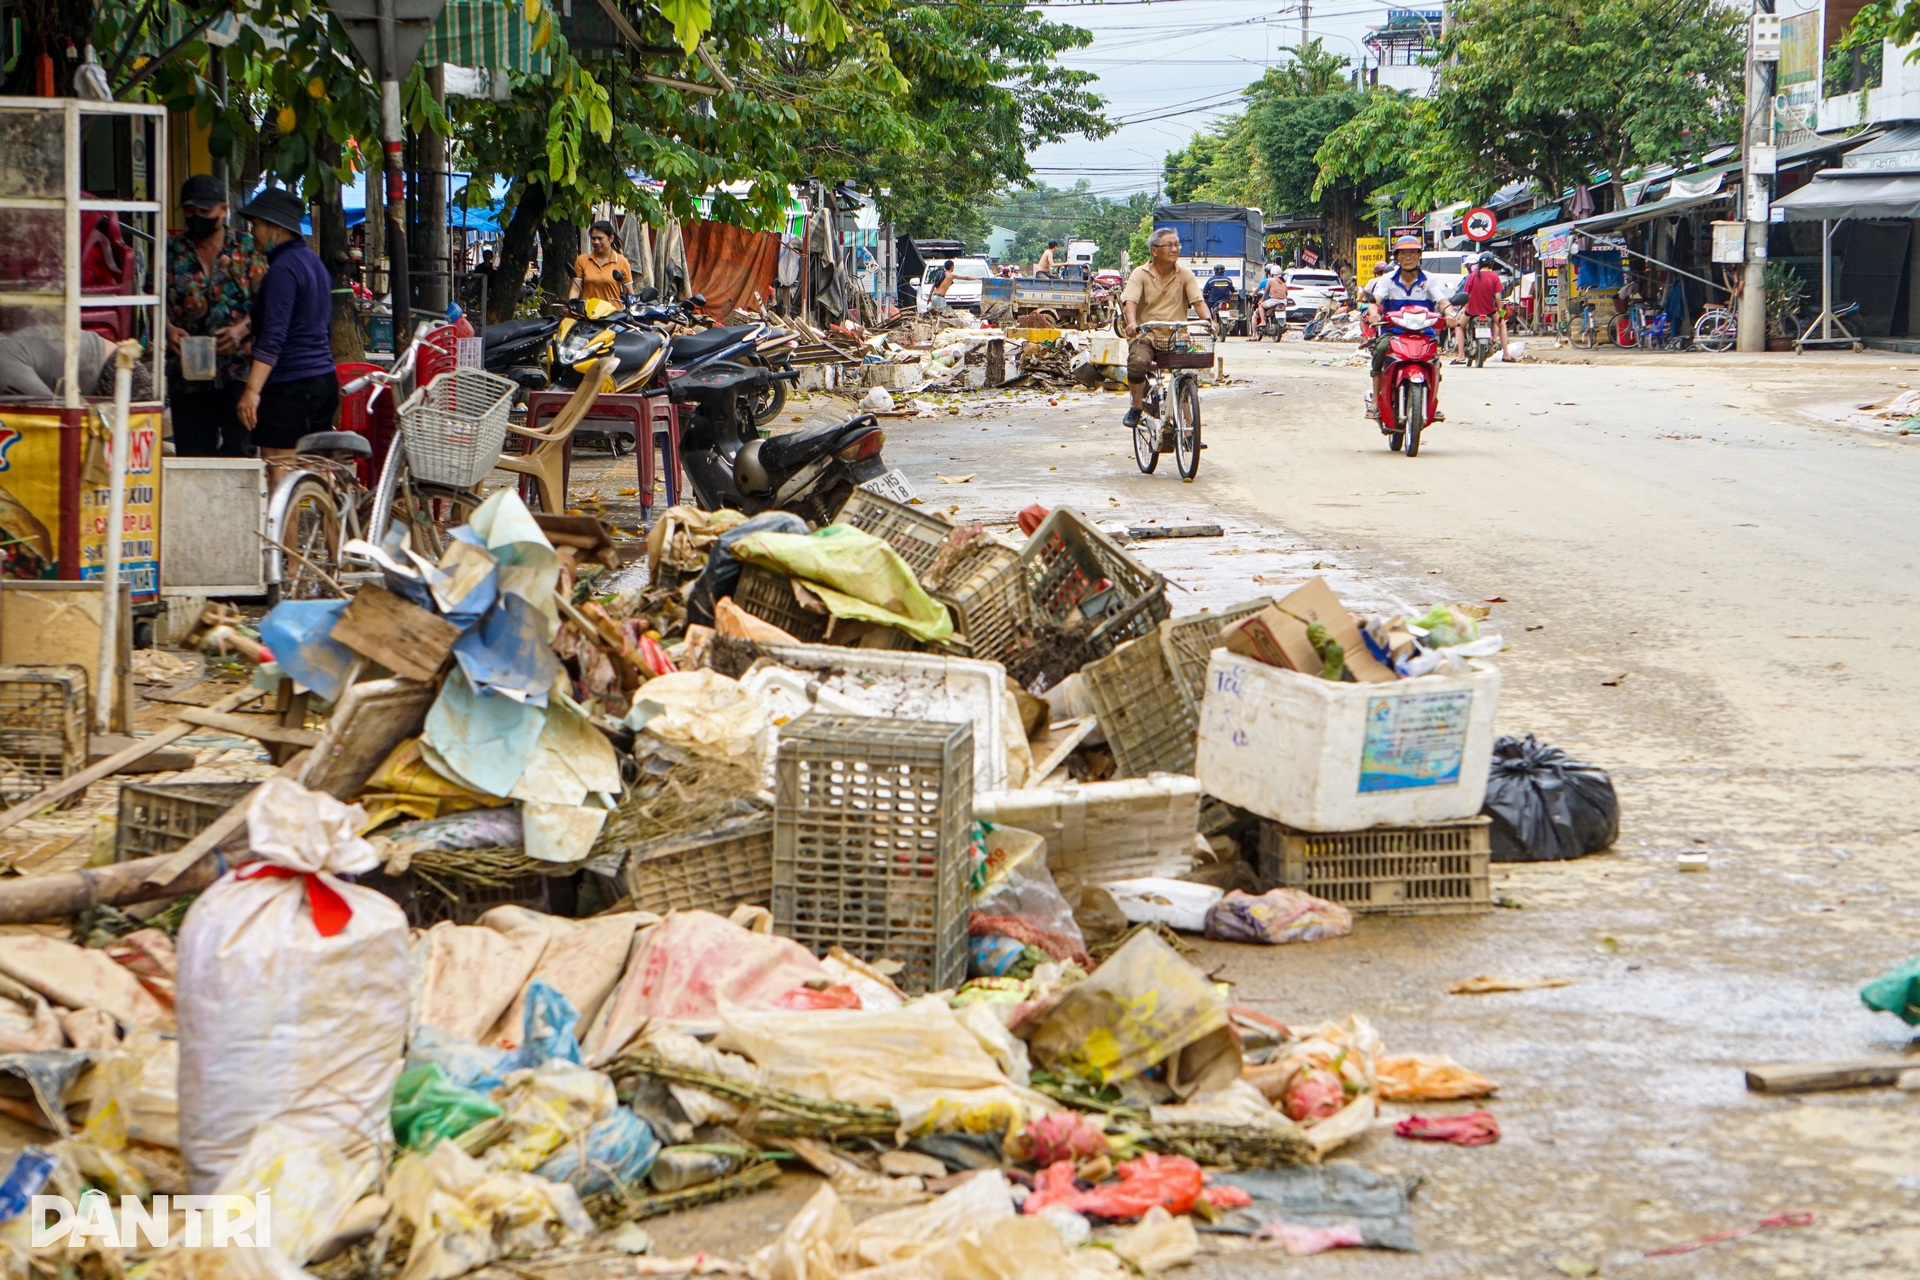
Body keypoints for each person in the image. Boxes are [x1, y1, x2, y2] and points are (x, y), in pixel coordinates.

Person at [234, 188, 338, 469]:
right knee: (317, 473)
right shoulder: (313, 263)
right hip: (322, 381)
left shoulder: (282, 270)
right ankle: (330, 514)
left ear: (275, 227)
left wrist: (252, 391)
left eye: (256, 225)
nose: (252, 231)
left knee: (282, 477)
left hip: (290, 387)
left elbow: (273, 336)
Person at [164, 173, 267, 456]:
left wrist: (241, 330)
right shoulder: (172, 251)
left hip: (238, 371)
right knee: (193, 458)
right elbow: (152, 301)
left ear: (223, 210)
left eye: (205, 211)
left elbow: (267, 303)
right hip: (187, 375)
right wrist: (168, 329)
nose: (197, 217)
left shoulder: (246, 249)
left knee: (239, 452)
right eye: (189, 211)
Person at [1119, 228, 1211, 427]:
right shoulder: (1140, 274)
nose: (1175, 249)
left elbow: (1198, 302)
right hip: (1147, 335)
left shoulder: (1185, 274)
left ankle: (1188, 428)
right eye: (1169, 245)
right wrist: (1132, 323)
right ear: (1154, 250)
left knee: (1187, 376)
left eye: (1177, 244)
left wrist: (1210, 322)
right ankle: (1136, 406)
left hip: (1177, 336)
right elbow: (1130, 302)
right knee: (1136, 365)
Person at [1364, 234, 1455, 423]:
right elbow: (1375, 300)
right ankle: (1375, 399)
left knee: (1434, 363)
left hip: (1423, 332)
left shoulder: (1429, 279)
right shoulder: (1387, 279)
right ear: (1396, 257)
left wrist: (1450, 314)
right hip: (1393, 331)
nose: (1408, 257)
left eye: (1413, 253)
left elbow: (1442, 300)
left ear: (1419, 256)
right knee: (1380, 350)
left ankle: (1432, 403)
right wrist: (1373, 312)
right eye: (1403, 253)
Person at [1459, 255, 1512, 363]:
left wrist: (1464, 309)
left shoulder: (1472, 276)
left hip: (1471, 310)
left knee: (1459, 327)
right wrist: (1500, 310)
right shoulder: (1494, 276)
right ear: (1491, 264)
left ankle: (1460, 355)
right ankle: (1506, 354)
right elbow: (1498, 297)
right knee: (1502, 324)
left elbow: (1467, 295)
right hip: (1490, 310)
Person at [569, 220, 632, 305]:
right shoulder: (582, 260)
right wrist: (571, 305)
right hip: (588, 314)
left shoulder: (622, 262)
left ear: (611, 238)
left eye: (600, 238)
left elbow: (629, 294)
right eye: (593, 238)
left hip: (613, 315)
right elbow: (575, 289)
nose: (596, 242)